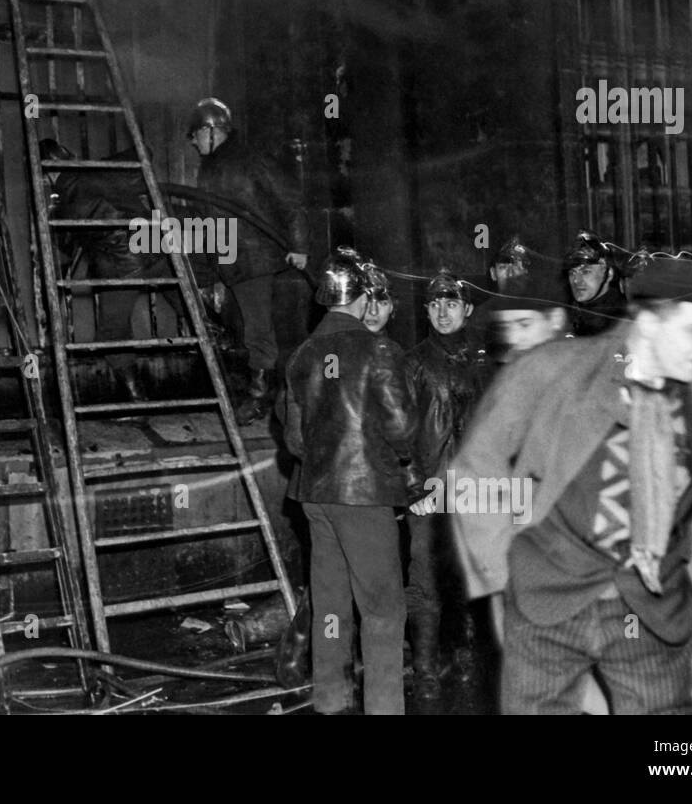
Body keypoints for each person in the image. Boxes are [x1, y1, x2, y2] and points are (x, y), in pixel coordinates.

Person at [451, 257, 692, 715]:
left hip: (652, 610)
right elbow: (477, 467)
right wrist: (500, 576)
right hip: (547, 600)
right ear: (649, 322)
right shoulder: (551, 369)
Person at [279, 246, 418, 714]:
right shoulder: (381, 350)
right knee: (382, 611)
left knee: (332, 607)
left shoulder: (302, 353)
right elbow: (403, 431)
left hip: (317, 497)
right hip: (363, 495)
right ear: (362, 299)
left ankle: (331, 702)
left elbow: (295, 440)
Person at [398, 270, 492, 699]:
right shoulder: (413, 363)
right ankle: (426, 669)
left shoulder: (484, 361)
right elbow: (397, 433)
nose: (442, 311)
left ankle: (469, 657)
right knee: (425, 582)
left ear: (467, 309)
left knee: (474, 576)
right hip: (431, 491)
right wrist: (414, 488)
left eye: (451, 303)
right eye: (434, 304)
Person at [188, 97, 310, 424]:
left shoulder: (251, 159)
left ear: (211, 130)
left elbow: (291, 201)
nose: (192, 141)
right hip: (224, 254)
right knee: (184, 281)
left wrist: (299, 246)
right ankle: (221, 339)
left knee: (258, 330)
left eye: (195, 134)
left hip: (252, 257)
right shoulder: (211, 165)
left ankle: (260, 397)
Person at [41, 139, 182, 401]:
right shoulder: (98, 170)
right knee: (187, 305)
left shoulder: (65, 200)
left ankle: (137, 398)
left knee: (112, 332)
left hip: (122, 266)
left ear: (48, 171)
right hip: (155, 250)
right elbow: (144, 150)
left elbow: (68, 246)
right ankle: (223, 350)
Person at [564, 230, 625, 337]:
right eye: (572, 273)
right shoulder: (568, 315)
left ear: (609, 275)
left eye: (586, 272)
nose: (576, 280)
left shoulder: (620, 321)